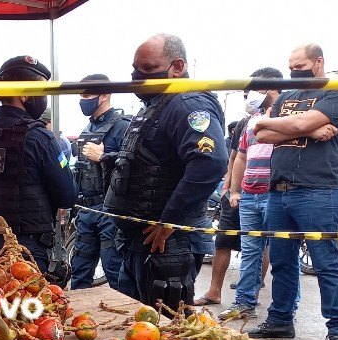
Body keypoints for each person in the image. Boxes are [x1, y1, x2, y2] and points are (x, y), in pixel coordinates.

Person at [103, 34, 228, 310]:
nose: (138, 76)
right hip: (141, 242)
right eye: (136, 69)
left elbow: (211, 162)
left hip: (168, 244)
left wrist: (169, 221)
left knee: (166, 334)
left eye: (148, 69)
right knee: (138, 330)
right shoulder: (158, 105)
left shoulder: (187, 103)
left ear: (177, 66)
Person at [249, 44, 338, 340]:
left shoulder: (337, 91)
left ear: (318, 62)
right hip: (279, 190)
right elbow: (260, 134)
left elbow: (285, 127)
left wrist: (284, 125)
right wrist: (306, 126)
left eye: (300, 65)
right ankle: (280, 319)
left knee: (325, 263)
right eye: (291, 65)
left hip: (318, 189)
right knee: (281, 260)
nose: (294, 71)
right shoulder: (285, 95)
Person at [0, 56, 76, 277]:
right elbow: (67, 196)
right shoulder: (38, 138)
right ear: (24, 94)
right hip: (24, 252)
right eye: (42, 90)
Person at [220, 68, 284, 319]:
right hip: (249, 195)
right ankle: (244, 302)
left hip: (275, 194)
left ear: (269, 89)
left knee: (281, 254)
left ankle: (282, 311)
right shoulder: (250, 120)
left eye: (255, 89)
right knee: (250, 252)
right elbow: (241, 157)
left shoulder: (287, 114)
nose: (251, 95)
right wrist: (235, 190)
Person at [70, 74, 130, 291]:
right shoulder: (89, 127)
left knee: (114, 269)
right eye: (81, 95)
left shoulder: (123, 126)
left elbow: (137, 164)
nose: (83, 99)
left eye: (88, 94)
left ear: (105, 95)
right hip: (86, 209)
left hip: (110, 210)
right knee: (79, 269)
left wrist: (105, 156)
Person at [193, 118, 250, 306]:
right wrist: (228, 187)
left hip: (264, 191)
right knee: (222, 241)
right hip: (235, 193)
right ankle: (214, 292)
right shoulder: (243, 123)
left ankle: (250, 299)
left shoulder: (280, 117)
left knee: (257, 245)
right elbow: (234, 156)